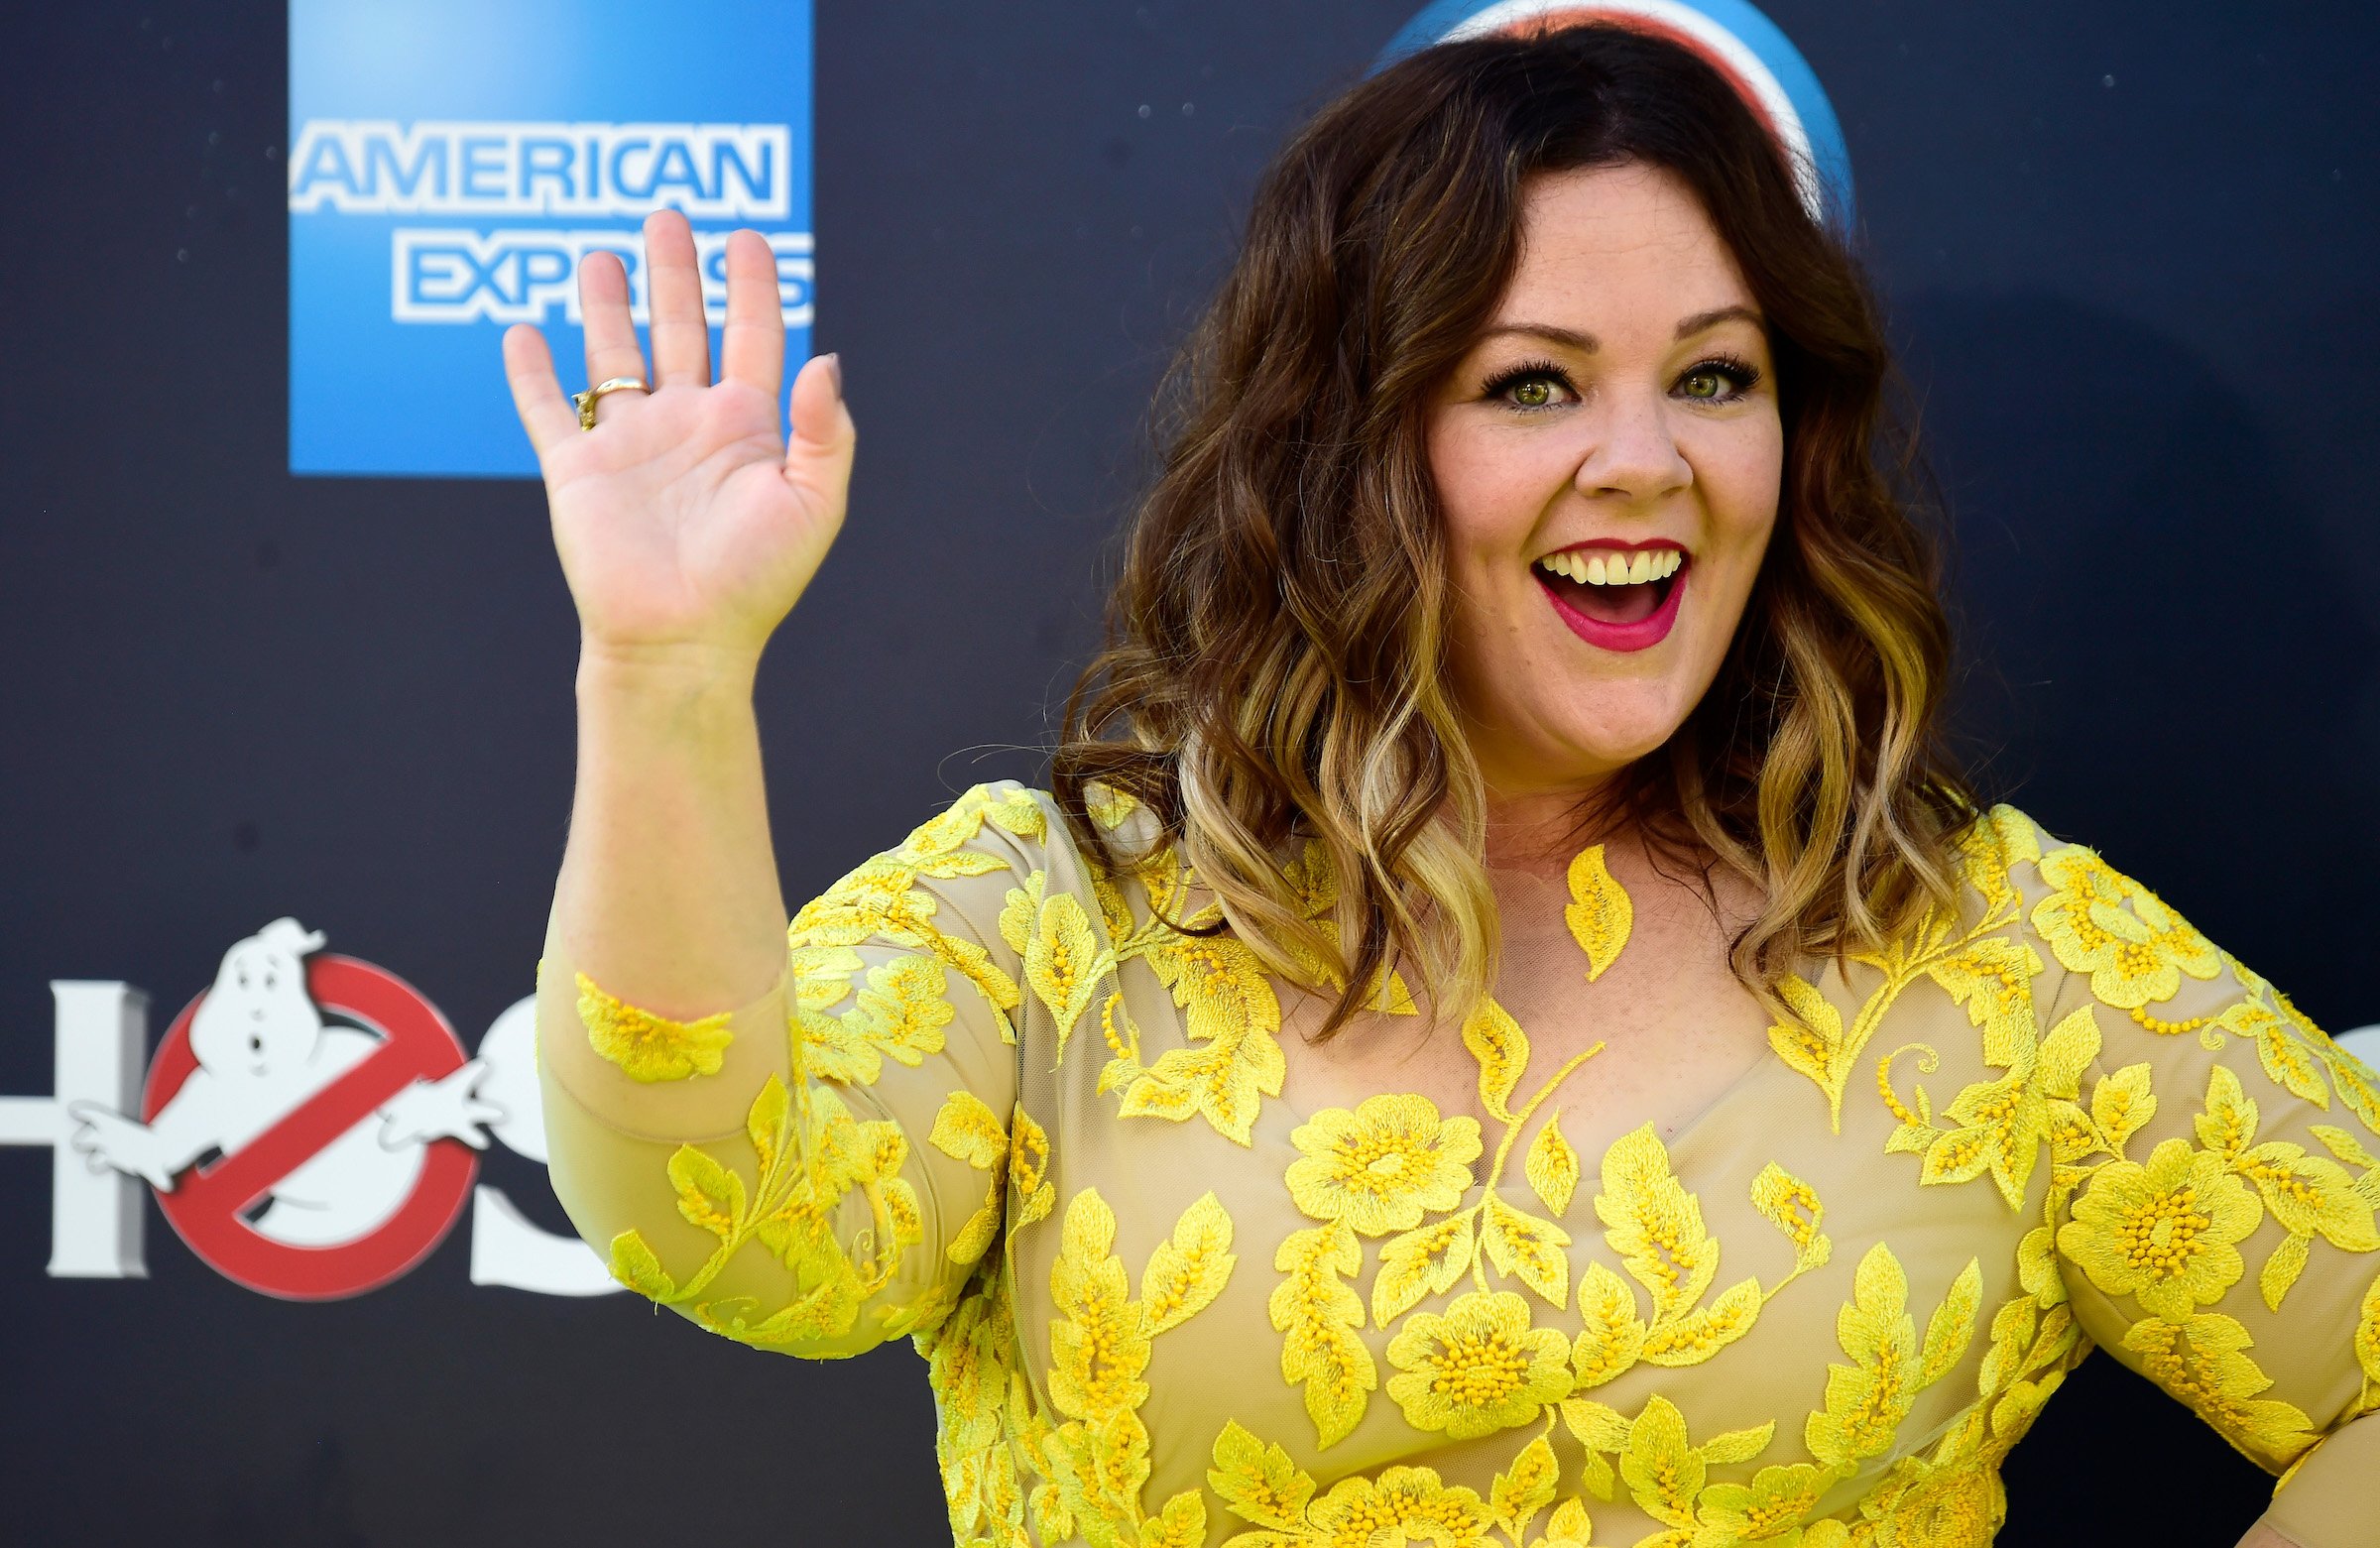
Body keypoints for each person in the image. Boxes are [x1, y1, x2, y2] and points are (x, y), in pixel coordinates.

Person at [499, 24, 2379, 1548]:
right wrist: (660, 678)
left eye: (1717, 379)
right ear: (1350, 445)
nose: (1646, 461)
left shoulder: (1997, 955)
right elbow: (717, 1213)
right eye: (1536, 386)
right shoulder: (1053, 920)